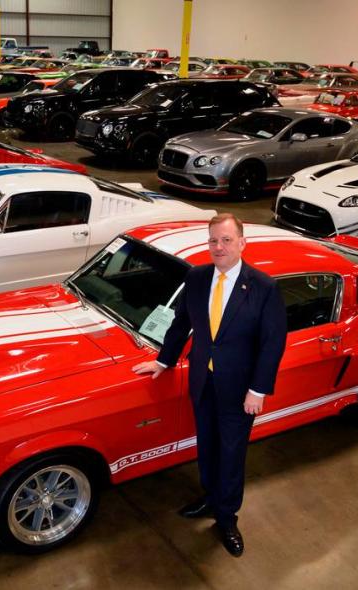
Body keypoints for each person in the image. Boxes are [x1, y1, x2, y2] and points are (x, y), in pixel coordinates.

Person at [132, 213, 287, 557]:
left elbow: (272, 343)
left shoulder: (263, 287)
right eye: (213, 240)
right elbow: (181, 322)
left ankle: (227, 516)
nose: (219, 247)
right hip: (203, 381)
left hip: (240, 390)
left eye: (226, 240)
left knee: (231, 452)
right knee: (208, 446)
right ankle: (209, 497)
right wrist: (163, 360)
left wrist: (258, 390)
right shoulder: (198, 277)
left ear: (242, 243)